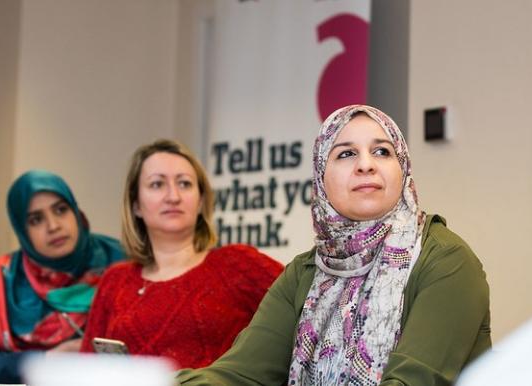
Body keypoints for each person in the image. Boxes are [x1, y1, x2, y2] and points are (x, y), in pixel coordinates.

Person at [177, 105, 491, 385]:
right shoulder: (306, 271)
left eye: (382, 151)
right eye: (345, 154)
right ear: (321, 179)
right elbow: (240, 374)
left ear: (404, 168)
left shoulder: (445, 260)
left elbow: (415, 380)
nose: (366, 165)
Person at [80, 140, 283, 368]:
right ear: (136, 204)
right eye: (157, 184)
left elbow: (308, 312)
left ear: (200, 201)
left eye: (185, 184)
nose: (173, 196)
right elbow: (87, 370)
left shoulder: (239, 264)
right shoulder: (114, 281)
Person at [0, 170, 125, 383]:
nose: (54, 226)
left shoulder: (121, 263)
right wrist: (45, 361)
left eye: (61, 210)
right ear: (22, 230)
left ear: (76, 212)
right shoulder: (0, 277)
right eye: (36, 220)